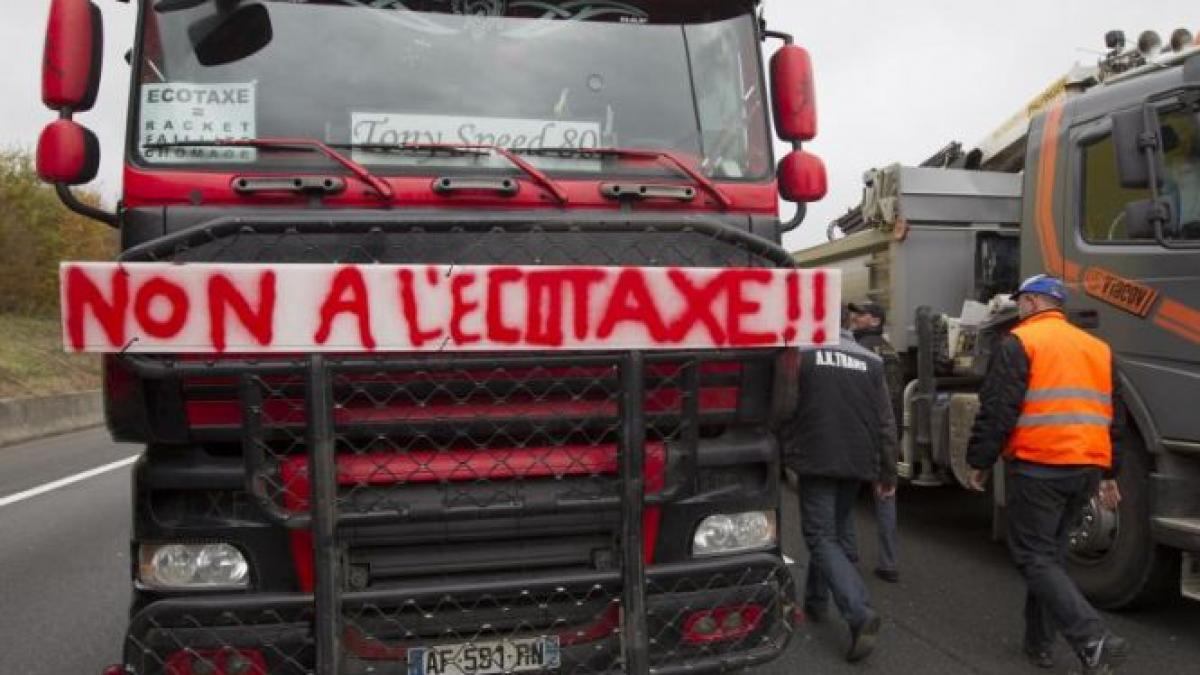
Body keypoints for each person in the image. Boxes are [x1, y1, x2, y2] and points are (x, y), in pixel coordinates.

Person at [964, 274, 1128, 674]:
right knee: (1050, 558)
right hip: (1085, 468)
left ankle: (1093, 637)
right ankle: (1039, 645)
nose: (1018, 308)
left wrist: (980, 461)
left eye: (1021, 301)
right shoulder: (1098, 349)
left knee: (1034, 556)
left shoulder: (1021, 342)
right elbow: (1116, 417)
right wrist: (1109, 473)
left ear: (1034, 303)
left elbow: (999, 408)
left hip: (1040, 466)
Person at [781, 328, 898, 662]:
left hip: (816, 456)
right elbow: (885, 423)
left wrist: (782, 449)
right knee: (832, 532)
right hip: (858, 461)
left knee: (820, 536)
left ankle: (859, 613)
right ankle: (816, 603)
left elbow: (784, 407)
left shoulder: (801, 354)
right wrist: (887, 472)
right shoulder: (872, 361)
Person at [847, 301, 903, 583]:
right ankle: (889, 563)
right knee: (885, 495)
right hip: (886, 433)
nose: (855, 317)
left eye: (862, 314)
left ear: (876, 320)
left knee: (843, 495)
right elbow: (894, 401)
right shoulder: (890, 351)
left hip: (860, 432)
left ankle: (845, 558)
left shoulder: (859, 351)